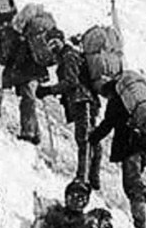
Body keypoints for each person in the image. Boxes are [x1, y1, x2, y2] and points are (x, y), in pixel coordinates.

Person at [88, 81, 146, 228]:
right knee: (135, 181)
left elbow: (107, 124)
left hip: (132, 147)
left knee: (131, 186)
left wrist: (92, 138)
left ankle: (140, 225)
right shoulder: (138, 102)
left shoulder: (117, 102)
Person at [37, 33, 102, 188]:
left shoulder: (68, 56)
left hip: (82, 100)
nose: (53, 48)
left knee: (84, 139)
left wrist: (48, 90)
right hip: (87, 101)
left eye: (54, 44)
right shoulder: (71, 55)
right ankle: (92, 176)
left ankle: (83, 177)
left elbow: (71, 82)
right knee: (91, 138)